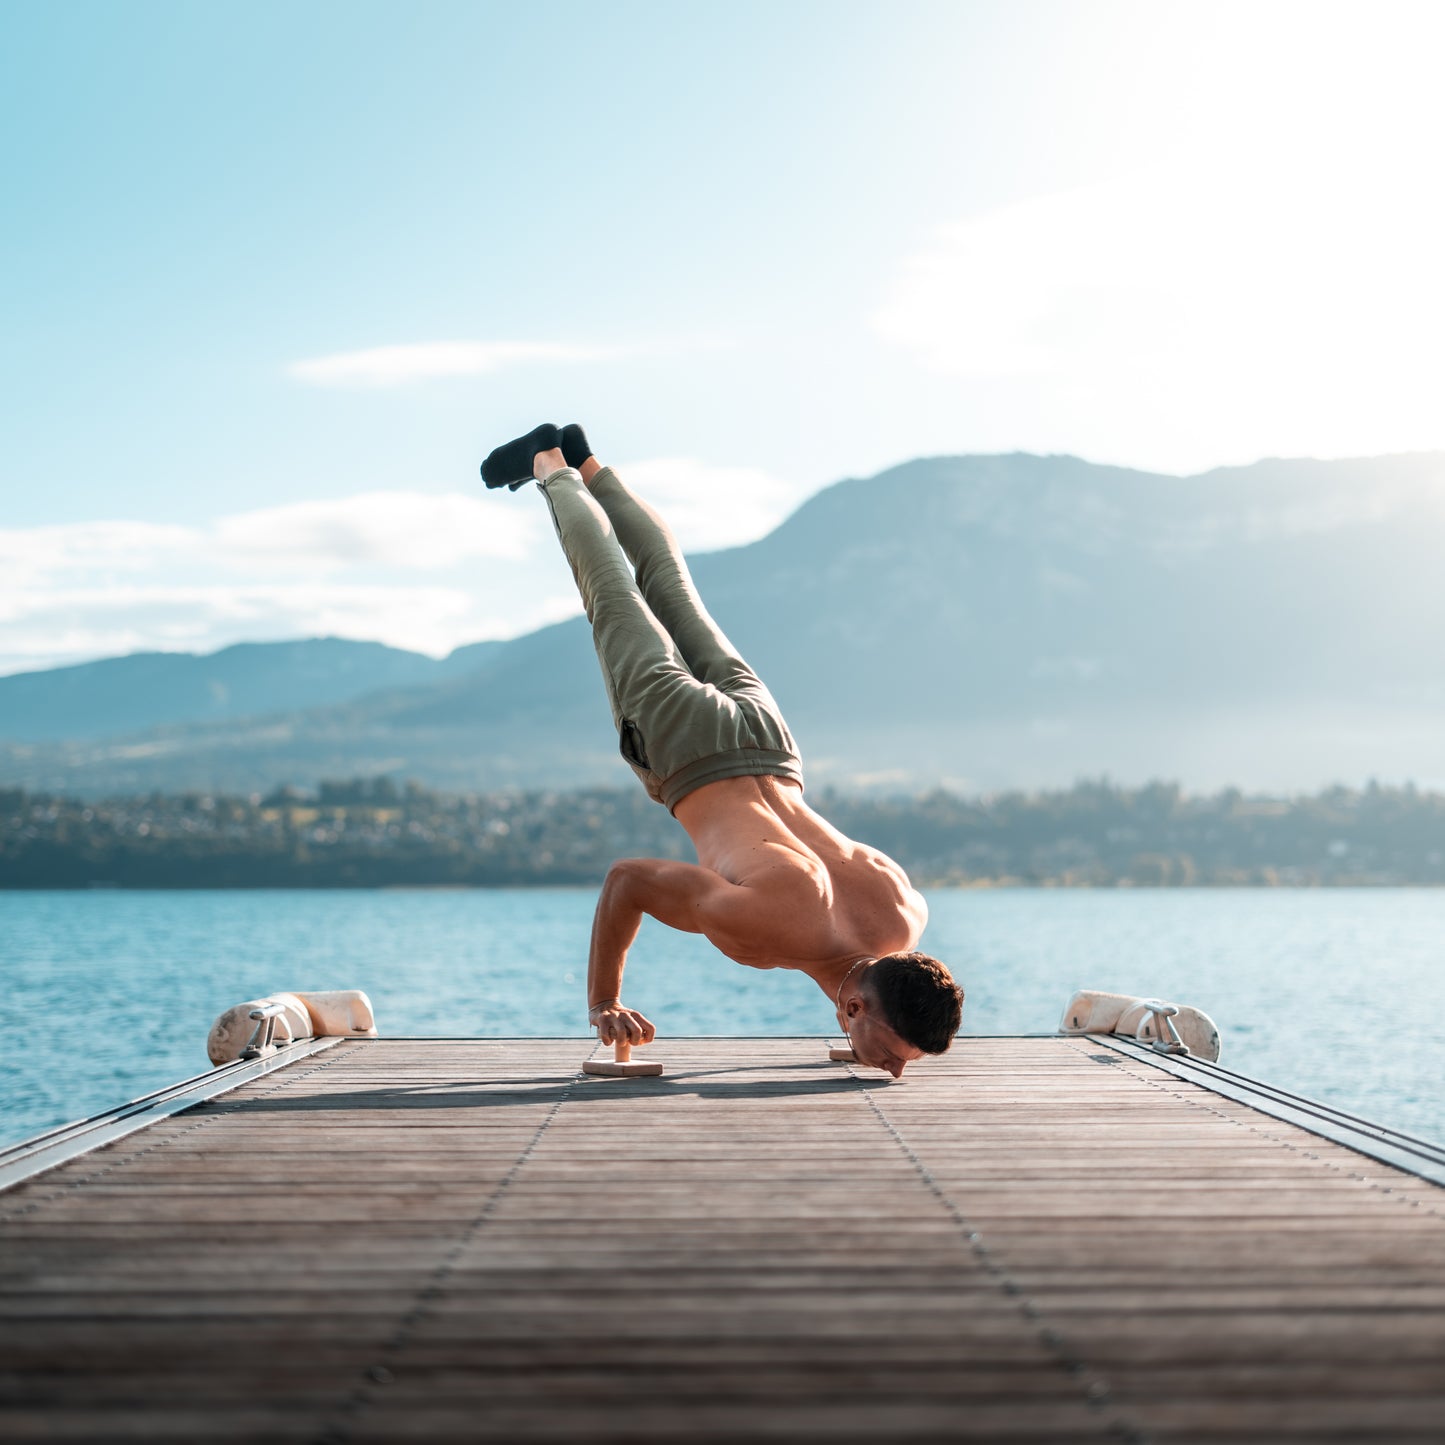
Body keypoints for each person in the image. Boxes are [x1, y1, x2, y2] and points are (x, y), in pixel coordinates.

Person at [481, 423, 963, 1076]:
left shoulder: (904, 910)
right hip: (684, 745)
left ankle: (588, 463)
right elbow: (628, 881)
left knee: (670, 586)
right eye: (888, 1054)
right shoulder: (770, 927)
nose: (893, 1071)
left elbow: (848, 958)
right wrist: (604, 1001)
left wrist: (868, 1034)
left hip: (770, 742)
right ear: (853, 1007)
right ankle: (548, 462)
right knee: (611, 592)